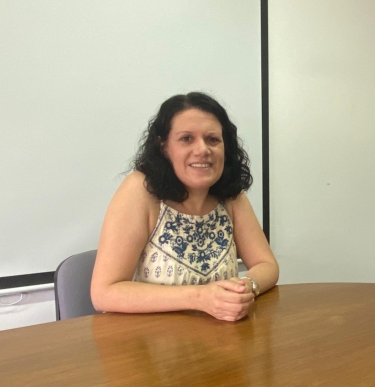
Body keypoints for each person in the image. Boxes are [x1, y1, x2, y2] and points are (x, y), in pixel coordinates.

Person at [91, 92, 278, 321]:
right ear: (164, 146)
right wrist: (199, 298)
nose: (203, 149)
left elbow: (266, 264)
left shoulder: (230, 196)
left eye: (212, 139)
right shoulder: (140, 189)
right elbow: (104, 293)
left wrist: (246, 286)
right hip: (153, 338)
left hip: (223, 336)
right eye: (186, 138)